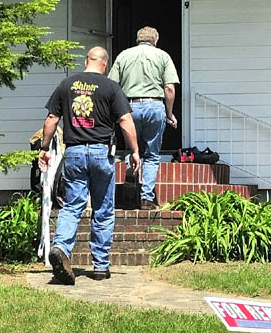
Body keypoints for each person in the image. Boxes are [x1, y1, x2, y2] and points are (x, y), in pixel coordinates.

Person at [38, 46, 140, 284]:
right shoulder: (111, 87)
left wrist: (44, 149)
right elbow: (125, 120)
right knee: (103, 209)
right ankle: (101, 266)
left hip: (73, 151)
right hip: (101, 152)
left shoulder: (67, 85)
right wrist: (134, 151)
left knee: (72, 206)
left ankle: (61, 248)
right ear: (105, 64)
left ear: (87, 61)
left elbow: (52, 118)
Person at [108, 26, 180, 210]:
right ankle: (146, 198)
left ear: (138, 39)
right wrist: (169, 113)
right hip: (154, 105)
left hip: (129, 107)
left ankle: (131, 194)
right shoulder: (162, 56)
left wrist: (115, 112)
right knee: (152, 154)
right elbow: (169, 88)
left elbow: (112, 86)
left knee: (131, 149)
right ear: (155, 41)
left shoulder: (124, 56)